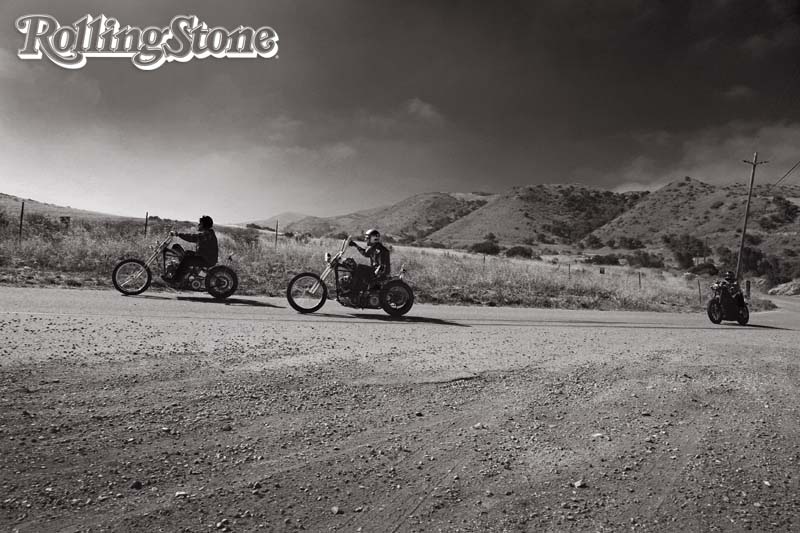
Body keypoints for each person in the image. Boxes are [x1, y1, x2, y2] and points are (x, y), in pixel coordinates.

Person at [167, 215, 219, 281]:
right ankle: (186, 275)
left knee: (186, 260)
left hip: (207, 259)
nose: (198, 225)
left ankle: (176, 280)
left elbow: (193, 237)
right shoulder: (208, 233)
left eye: (200, 224)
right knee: (186, 253)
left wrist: (178, 234)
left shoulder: (207, 234)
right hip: (204, 256)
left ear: (203, 225)